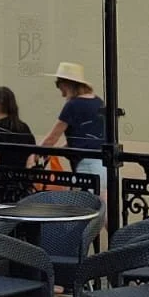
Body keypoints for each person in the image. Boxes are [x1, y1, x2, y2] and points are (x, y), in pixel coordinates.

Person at [40, 62, 107, 196]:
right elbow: (89, 136)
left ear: (66, 84)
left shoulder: (72, 105)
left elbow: (52, 137)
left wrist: (35, 153)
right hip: (103, 165)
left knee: (83, 205)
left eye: (58, 84)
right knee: (99, 205)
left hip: (85, 167)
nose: (59, 90)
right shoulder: (99, 102)